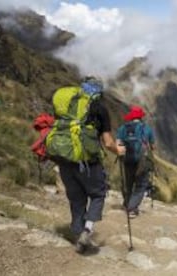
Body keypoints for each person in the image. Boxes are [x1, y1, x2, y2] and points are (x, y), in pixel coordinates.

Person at [54, 78, 125, 253]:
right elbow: (108, 143)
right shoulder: (99, 108)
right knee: (98, 194)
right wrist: (119, 150)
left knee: (76, 199)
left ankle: (78, 235)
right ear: (98, 92)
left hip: (64, 158)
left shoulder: (67, 103)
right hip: (88, 162)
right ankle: (87, 230)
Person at [116, 105, 155, 218]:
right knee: (141, 186)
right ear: (141, 117)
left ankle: (127, 203)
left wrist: (122, 155)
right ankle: (132, 209)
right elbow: (152, 146)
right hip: (141, 161)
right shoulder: (146, 129)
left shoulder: (123, 128)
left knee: (128, 184)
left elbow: (118, 143)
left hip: (127, 160)